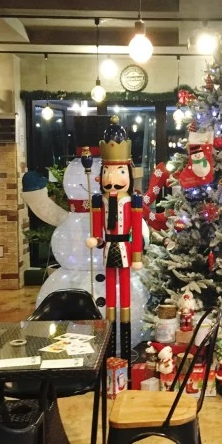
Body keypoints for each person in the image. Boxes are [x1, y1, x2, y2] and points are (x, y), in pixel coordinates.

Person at [87, 116, 145, 360]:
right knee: (110, 292)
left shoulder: (133, 202)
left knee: (126, 295)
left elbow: (137, 231)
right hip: (108, 247)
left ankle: (126, 345)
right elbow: (97, 227)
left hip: (125, 247)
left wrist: (137, 255)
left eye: (120, 171)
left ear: (128, 172)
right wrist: (96, 239)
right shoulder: (99, 201)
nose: (112, 179)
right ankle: (110, 346)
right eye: (107, 172)